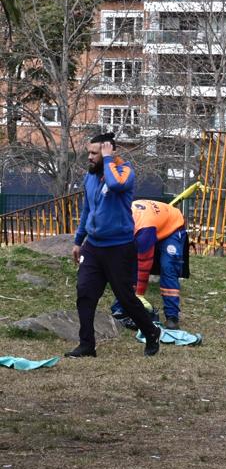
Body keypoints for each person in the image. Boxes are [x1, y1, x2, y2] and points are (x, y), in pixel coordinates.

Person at [66, 133, 161, 358]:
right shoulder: (90, 177)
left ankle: (151, 332)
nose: (89, 157)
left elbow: (115, 184)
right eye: (88, 152)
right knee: (85, 293)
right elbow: (87, 209)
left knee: (126, 298)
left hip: (120, 247)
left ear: (108, 152)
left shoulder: (124, 171)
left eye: (94, 153)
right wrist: (78, 241)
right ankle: (87, 345)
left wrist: (108, 159)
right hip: (93, 247)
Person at [111, 199, 189, 330]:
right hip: (154, 221)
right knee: (129, 265)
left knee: (168, 266)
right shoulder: (116, 221)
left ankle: (172, 317)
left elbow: (144, 265)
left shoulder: (143, 230)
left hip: (172, 226)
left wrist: (139, 295)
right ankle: (121, 307)